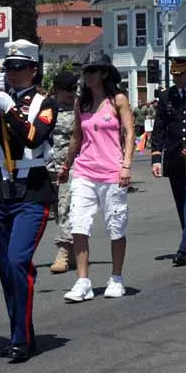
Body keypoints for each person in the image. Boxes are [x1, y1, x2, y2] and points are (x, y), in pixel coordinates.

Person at [0, 39, 58, 362]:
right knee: (6, 269)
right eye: (8, 67)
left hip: (32, 188)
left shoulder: (46, 103)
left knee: (17, 260)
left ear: (33, 70)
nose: (12, 72)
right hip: (1, 187)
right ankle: (20, 333)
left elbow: (34, 137)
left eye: (18, 67)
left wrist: (9, 108)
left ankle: (21, 339)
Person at [60, 52, 135, 302]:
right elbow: (76, 136)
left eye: (92, 71)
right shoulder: (81, 103)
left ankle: (116, 278)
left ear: (103, 73)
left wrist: (126, 165)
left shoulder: (118, 100)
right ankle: (83, 281)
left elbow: (130, 133)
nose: (87, 76)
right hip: (85, 171)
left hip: (112, 170)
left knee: (116, 226)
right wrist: (66, 165)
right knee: (78, 224)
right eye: (85, 71)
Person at [150, 56, 186, 266]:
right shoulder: (167, 96)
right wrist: (156, 156)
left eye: (180, 75)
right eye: (173, 75)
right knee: (182, 203)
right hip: (174, 158)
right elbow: (160, 128)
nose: (175, 79)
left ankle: (185, 249)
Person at [48, 70, 79, 274]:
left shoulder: (80, 109)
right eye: (66, 89)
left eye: (73, 89)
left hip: (73, 166)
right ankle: (75, 249)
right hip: (49, 167)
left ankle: (63, 252)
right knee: (58, 212)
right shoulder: (47, 109)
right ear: (57, 90)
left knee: (66, 207)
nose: (70, 93)